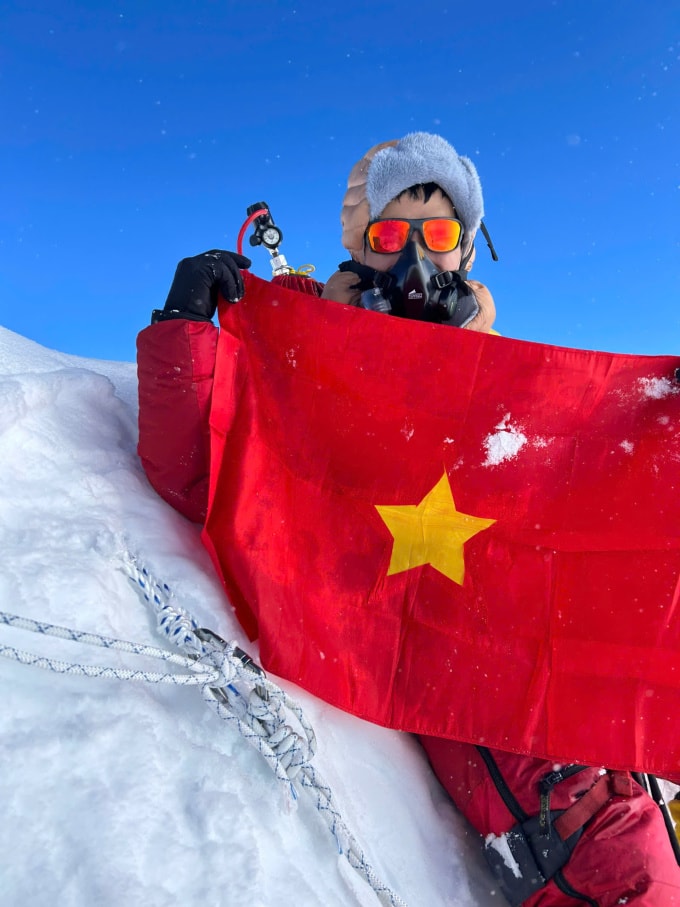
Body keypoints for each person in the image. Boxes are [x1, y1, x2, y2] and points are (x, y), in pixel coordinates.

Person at [137, 132, 680, 905]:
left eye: (441, 234)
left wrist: (656, 428)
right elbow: (198, 470)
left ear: (468, 248)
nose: (417, 259)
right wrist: (185, 322)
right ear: (363, 245)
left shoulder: (513, 385)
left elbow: (593, 521)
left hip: (555, 682)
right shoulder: (307, 348)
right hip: (451, 673)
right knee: (617, 864)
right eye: (392, 236)